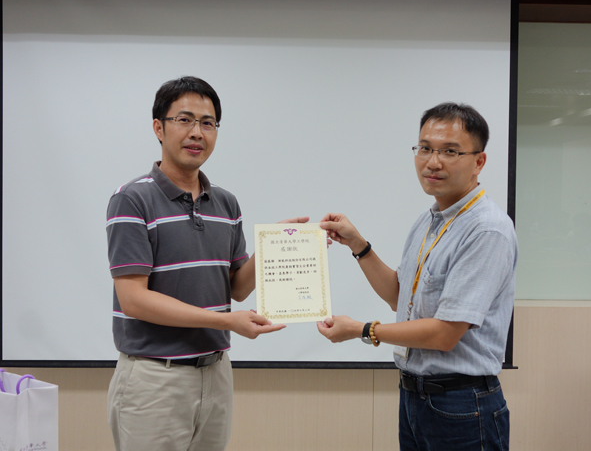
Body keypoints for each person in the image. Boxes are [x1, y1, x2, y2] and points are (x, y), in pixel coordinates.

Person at [106, 76, 306, 451]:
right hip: (154, 377)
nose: (197, 132)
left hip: (215, 373)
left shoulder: (226, 203)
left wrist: (274, 248)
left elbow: (236, 286)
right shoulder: (132, 200)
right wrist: (226, 321)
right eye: (184, 120)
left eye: (208, 123)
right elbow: (133, 299)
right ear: (158, 128)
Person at [317, 102, 517, 451]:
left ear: (479, 162)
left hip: (462, 404)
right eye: (425, 148)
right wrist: (359, 246)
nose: (433, 161)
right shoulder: (428, 221)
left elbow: (444, 333)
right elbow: (402, 298)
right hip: (415, 398)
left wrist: (362, 330)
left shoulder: (487, 230)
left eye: (449, 151)